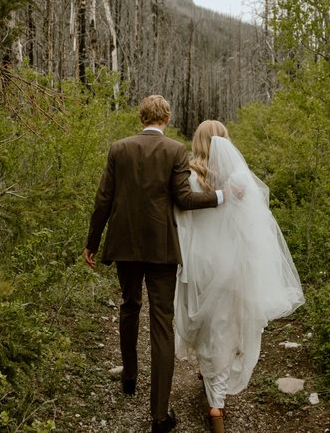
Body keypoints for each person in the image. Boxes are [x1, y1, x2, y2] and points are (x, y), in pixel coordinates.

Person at [83, 96, 225, 433]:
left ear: (141, 117)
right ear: (167, 117)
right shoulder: (175, 150)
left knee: (129, 305)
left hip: (124, 244)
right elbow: (184, 199)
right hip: (161, 247)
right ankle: (160, 415)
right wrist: (221, 197)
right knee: (162, 322)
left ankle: (129, 378)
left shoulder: (118, 148)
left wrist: (92, 242)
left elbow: (103, 198)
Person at [174, 120, 304, 433]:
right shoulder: (238, 178)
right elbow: (254, 230)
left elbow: (182, 220)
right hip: (230, 263)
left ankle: (210, 379)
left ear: (198, 141)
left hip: (200, 261)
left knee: (205, 323)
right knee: (225, 326)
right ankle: (216, 405)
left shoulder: (189, 176)